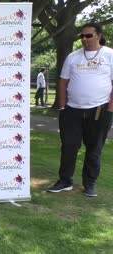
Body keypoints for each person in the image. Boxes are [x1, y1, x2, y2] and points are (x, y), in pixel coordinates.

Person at [47, 22, 113, 197]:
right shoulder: (73, 57)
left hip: (100, 109)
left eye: (88, 35)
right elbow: (63, 81)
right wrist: (62, 105)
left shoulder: (109, 55)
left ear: (99, 35)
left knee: (94, 148)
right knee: (69, 146)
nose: (84, 39)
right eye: (82, 36)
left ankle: (90, 183)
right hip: (72, 110)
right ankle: (65, 181)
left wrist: (110, 109)